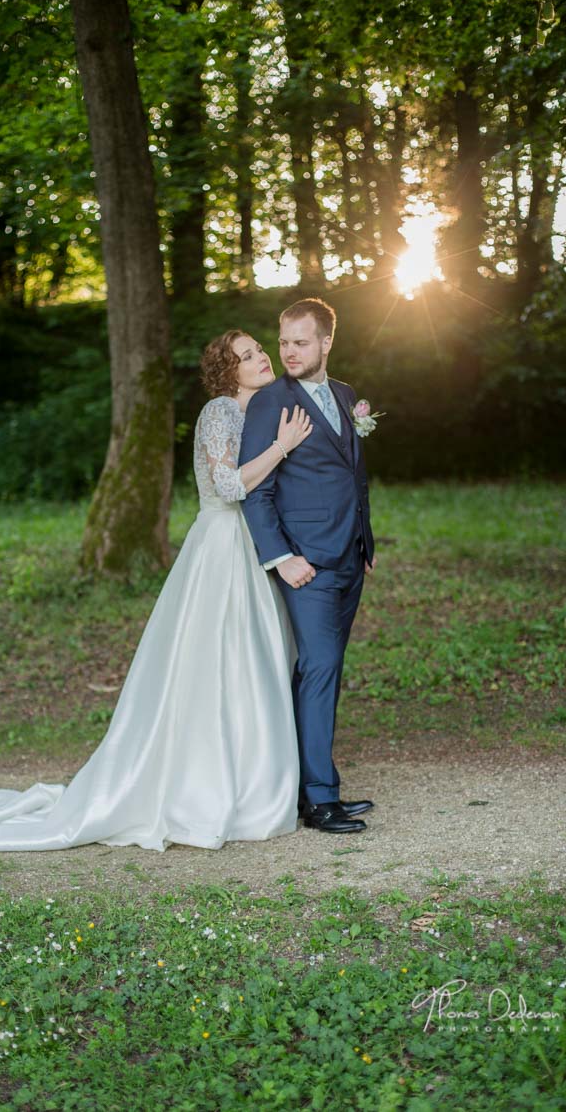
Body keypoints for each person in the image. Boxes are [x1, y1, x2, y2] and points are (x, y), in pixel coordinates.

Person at [0, 331, 313, 853]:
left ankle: (255, 782)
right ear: (228, 372)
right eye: (246, 356)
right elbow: (227, 486)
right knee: (216, 663)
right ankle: (206, 787)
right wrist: (280, 448)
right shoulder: (220, 411)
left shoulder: (259, 411)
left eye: (258, 350)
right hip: (223, 545)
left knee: (254, 660)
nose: (261, 358)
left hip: (255, 545)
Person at [239, 298, 376, 834]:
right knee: (318, 667)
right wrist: (282, 557)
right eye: (283, 342)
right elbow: (256, 491)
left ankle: (312, 782)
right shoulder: (269, 403)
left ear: (325, 343)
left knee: (328, 669)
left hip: (348, 557)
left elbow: (352, 475)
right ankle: (319, 798)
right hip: (306, 565)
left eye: (300, 342)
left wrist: (363, 541)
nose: (288, 352)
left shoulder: (344, 396)